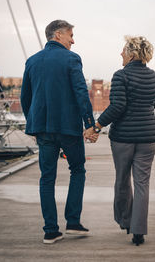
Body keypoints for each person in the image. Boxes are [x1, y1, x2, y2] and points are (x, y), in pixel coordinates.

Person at [21, 20, 98, 244]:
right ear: (58, 35)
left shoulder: (32, 61)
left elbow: (26, 97)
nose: (73, 40)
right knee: (78, 170)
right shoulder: (71, 59)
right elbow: (81, 93)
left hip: (43, 129)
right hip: (68, 128)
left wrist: (32, 123)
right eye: (71, 35)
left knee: (47, 178)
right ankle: (73, 222)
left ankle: (50, 230)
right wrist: (89, 124)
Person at [87, 36, 155, 246]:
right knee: (142, 184)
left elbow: (118, 106)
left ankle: (125, 220)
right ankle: (139, 232)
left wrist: (97, 126)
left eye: (123, 50)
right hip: (148, 137)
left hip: (123, 139)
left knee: (122, 180)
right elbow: (152, 103)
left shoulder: (121, 76)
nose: (120, 54)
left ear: (132, 53)